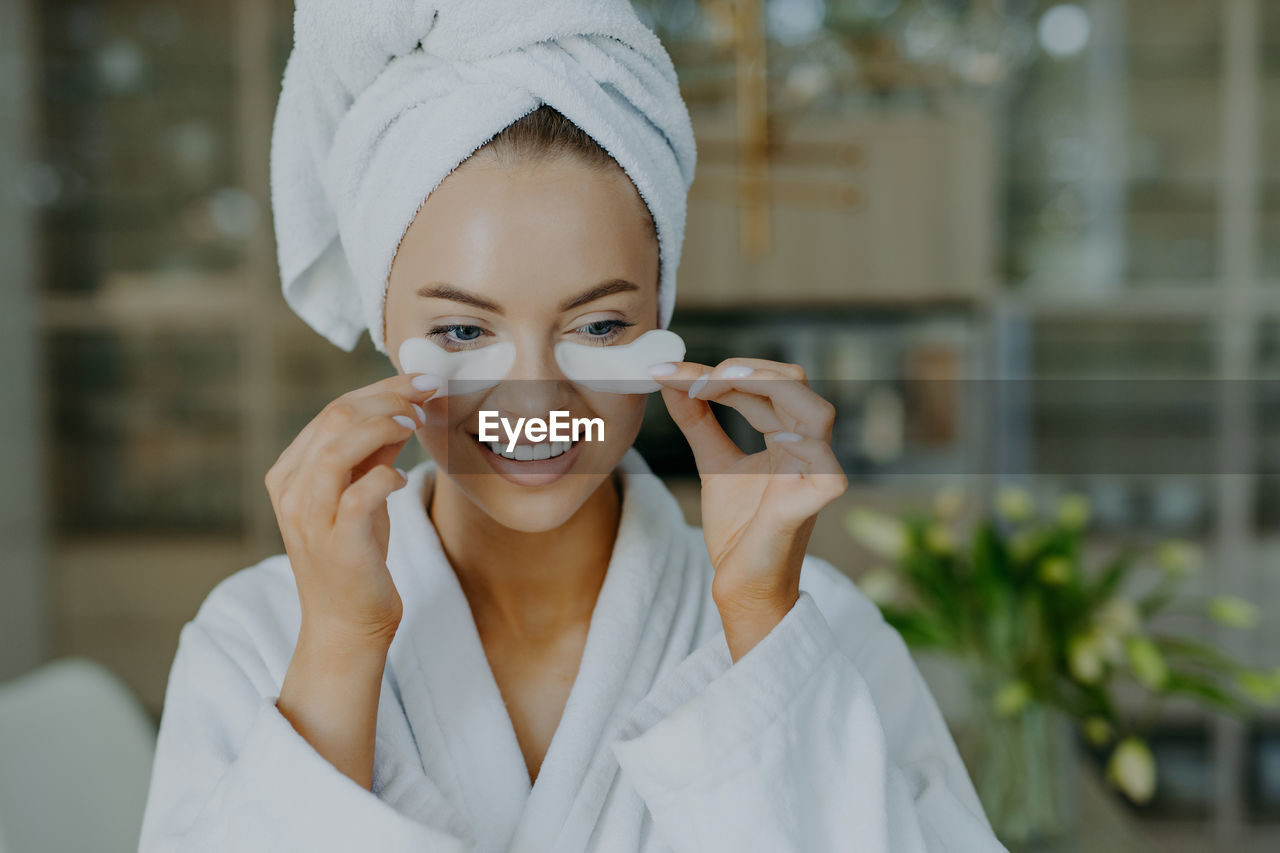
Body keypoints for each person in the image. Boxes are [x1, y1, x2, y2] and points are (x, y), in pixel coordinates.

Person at [138, 4, 1007, 852]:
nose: (533, 397)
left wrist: (758, 627)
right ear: (384, 331)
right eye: (463, 333)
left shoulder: (808, 625)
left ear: (661, 322)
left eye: (598, 328)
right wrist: (338, 647)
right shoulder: (258, 637)